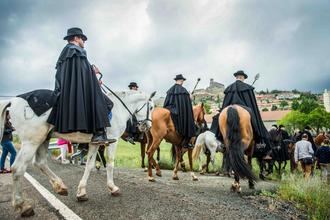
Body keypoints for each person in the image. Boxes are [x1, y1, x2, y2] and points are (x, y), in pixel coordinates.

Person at [47, 27, 116, 144]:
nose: (84, 42)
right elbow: (84, 74)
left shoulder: (65, 53)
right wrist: (94, 79)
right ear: (76, 38)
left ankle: (87, 140)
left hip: (70, 89)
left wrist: (93, 77)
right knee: (108, 103)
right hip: (80, 89)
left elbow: (79, 75)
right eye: (82, 39)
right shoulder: (77, 51)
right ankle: (99, 134)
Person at [211, 70, 272, 159]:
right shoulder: (247, 88)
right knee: (254, 116)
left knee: (220, 116)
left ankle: (220, 140)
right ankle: (259, 141)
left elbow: (226, 103)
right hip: (245, 108)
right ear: (243, 78)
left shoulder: (229, 88)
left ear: (236, 77)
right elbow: (251, 104)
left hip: (228, 109)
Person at [163, 74, 195, 148]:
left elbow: (166, 102)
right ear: (181, 80)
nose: (183, 82)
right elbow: (186, 106)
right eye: (183, 80)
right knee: (189, 119)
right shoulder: (183, 91)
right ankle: (186, 142)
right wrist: (189, 97)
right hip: (179, 111)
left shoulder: (170, 90)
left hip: (169, 109)